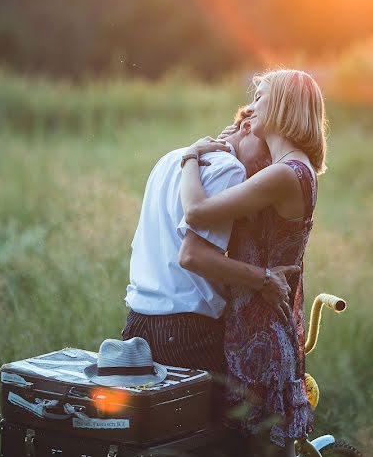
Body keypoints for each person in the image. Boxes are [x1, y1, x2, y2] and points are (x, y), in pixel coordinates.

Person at [178, 69, 327, 457]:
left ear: (280, 106)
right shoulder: (286, 169)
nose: (252, 107)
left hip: (262, 343)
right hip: (251, 333)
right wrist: (231, 147)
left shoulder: (286, 174)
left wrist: (191, 156)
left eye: (260, 97)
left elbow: (196, 212)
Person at [122, 109, 300, 380]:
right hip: (186, 330)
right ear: (246, 127)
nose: (268, 165)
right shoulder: (230, 168)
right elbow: (192, 256)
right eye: (266, 150)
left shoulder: (173, 158)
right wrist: (264, 279)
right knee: (209, 421)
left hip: (138, 320)